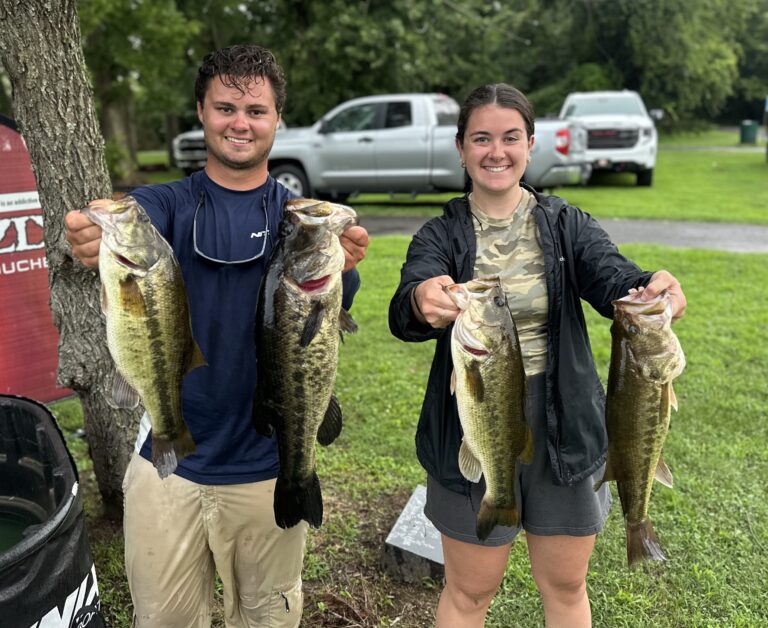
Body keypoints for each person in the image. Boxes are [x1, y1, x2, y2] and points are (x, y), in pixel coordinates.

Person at [65, 44, 369, 627]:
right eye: (225, 107)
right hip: (166, 467)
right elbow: (113, 218)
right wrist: (89, 232)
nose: (240, 122)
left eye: (256, 110)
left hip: (267, 463)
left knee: (267, 619)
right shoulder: (164, 206)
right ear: (201, 113)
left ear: (278, 118)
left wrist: (344, 271)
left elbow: (322, 323)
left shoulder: (299, 217)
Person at [388, 83, 686, 628]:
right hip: (472, 422)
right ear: (460, 148)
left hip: (565, 421)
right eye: (481, 138)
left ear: (529, 145)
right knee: (469, 592)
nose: (495, 151)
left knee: (567, 586)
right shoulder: (440, 232)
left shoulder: (564, 222)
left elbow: (610, 274)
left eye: (509, 138)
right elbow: (408, 303)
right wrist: (418, 300)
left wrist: (650, 288)